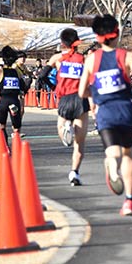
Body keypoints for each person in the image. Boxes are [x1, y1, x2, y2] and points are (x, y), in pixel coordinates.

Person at [78, 14, 132, 216]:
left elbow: (82, 91)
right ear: (116, 33)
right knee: (127, 153)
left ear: (97, 36)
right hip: (126, 110)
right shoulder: (127, 56)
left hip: (106, 111)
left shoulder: (92, 59)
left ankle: (112, 168)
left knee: (114, 153)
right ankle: (129, 200)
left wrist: (98, 94)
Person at [40, 28, 90, 186]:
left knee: (62, 132)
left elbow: (42, 76)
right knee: (80, 143)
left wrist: (54, 87)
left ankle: (66, 128)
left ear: (62, 43)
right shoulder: (84, 59)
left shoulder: (57, 58)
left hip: (64, 99)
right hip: (81, 99)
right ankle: (74, 172)